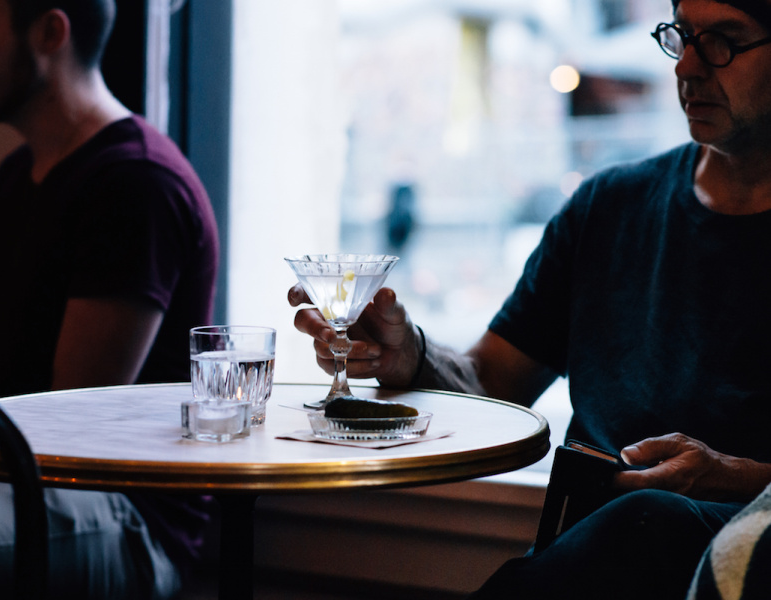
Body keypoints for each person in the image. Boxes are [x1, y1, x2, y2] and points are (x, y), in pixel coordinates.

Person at [289, 0, 771, 597]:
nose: (686, 67)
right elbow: (491, 383)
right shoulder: (608, 208)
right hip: (582, 563)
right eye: (683, 36)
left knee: (650, 522)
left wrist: (733, 478)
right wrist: (410, 356)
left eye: (722, 40)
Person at [0, 0, 220, 598]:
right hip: (23, 483)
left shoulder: (135, 183)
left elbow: (61, 433)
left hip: (122, 516)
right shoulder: (17, 175)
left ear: (51, 33)